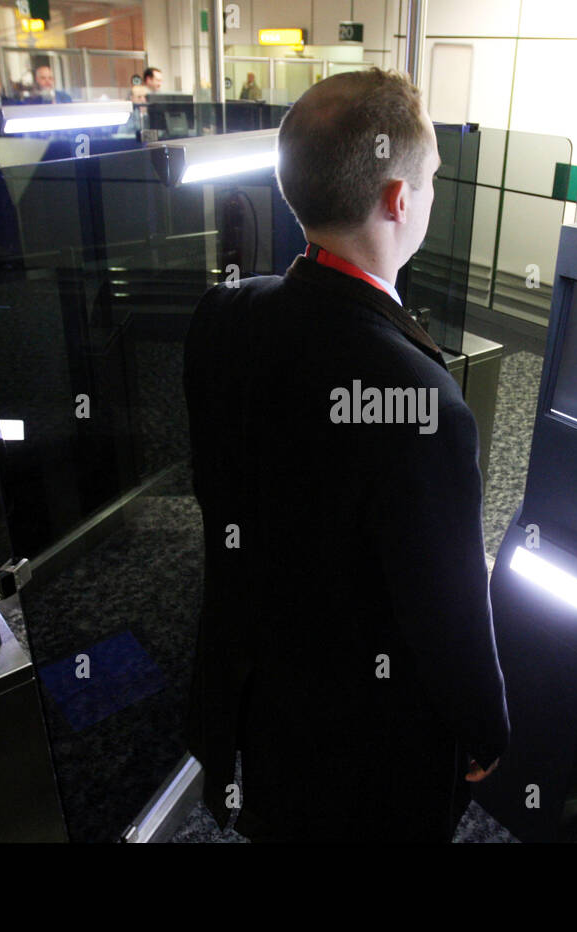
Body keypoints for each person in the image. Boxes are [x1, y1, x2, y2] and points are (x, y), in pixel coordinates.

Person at [183, 67, 509, 842]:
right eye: (429, 181)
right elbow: (447, 610)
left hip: (260, 705)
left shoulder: (223, 315)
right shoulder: (426, 399)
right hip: (368, 744)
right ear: (399, 199)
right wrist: (485, 727)